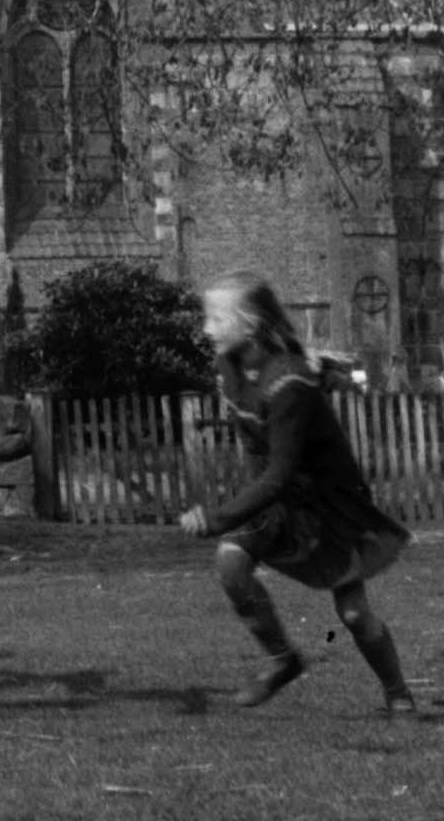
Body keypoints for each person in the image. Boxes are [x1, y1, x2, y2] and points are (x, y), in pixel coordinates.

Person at [178, 272, 419, 716]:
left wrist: (219, 518)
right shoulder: (228, 368)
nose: (207, 329)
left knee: (352, 615)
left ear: (249, 324)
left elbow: (282, 473)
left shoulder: (288, 384)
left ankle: (398, 694)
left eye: (215, 318)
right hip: (276, 498)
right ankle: (282, 659)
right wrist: (244, 515)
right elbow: (255, 452)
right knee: (230, 563)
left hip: (327, 505)